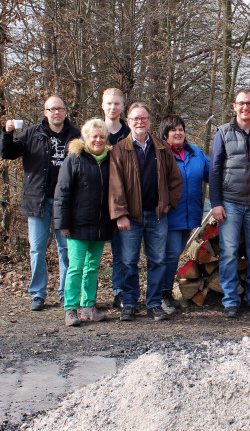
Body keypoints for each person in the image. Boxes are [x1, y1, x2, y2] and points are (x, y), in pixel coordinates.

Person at [0, 96, 80, 311]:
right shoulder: (32, 134)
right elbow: (7, 153)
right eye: (52, 109)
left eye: (60, 108)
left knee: (66, 250)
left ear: (65, 111)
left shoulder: (76, 136)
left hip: (66, 202)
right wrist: (7, 133)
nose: (56, 112)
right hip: (38, 201)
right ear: (45, 112)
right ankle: (38, 294)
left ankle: (67, 294)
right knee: (37, 250)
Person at [109, 103, 182, 322]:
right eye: (135, 119)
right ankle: (129, 304)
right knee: (128, 261)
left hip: (157, 215)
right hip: (130, 218)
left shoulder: (161, 147)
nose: (140, 122)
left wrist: (168, 202)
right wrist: (120, 214)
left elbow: (175, 179)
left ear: (149, 121)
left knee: (158, 261)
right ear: (128, 122)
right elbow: (115, 186)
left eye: (144, 118)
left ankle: (154, 304)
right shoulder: (120, 149)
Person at [210, 89, 250, 318]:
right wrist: (215, 203)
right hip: (230, 202)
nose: (245, 107)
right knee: (229, 253)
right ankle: (230, 300)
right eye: (241, 103)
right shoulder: (223, 133)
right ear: (233, 106)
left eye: (249, 103)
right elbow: (215, 170)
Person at [54, 118, 113, 326]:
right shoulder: (74, 159)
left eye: (101, 136)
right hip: (77, 224)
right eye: (94, 136)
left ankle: (88, 306)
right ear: (85, 138)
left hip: (101, 224)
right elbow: (62, 192)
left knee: (92, 268)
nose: (98, 140)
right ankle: (71, 308)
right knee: (76, 267)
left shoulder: (111, 159)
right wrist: (63, 222)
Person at [159, 114, 210, 316]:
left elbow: (212, 173)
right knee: (169, 256)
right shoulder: (161, 154)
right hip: (169, 215)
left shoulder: (195, 153)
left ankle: (165, 293)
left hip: (189, 215)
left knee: (175, 254)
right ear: (165, 135)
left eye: (180, 129)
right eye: (173, 130)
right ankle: (161, 294)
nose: (178, 133)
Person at [101, 88, 131, 309]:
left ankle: (119, 291)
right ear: (102, 105)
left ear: (122, 106)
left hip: (123, 201)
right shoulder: (92, 132)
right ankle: (86, 295)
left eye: (117, 104)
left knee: (122, 252)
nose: (113, 107)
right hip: (96, 201)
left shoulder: (130, 134)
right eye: (109, 103)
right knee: (89, 253)